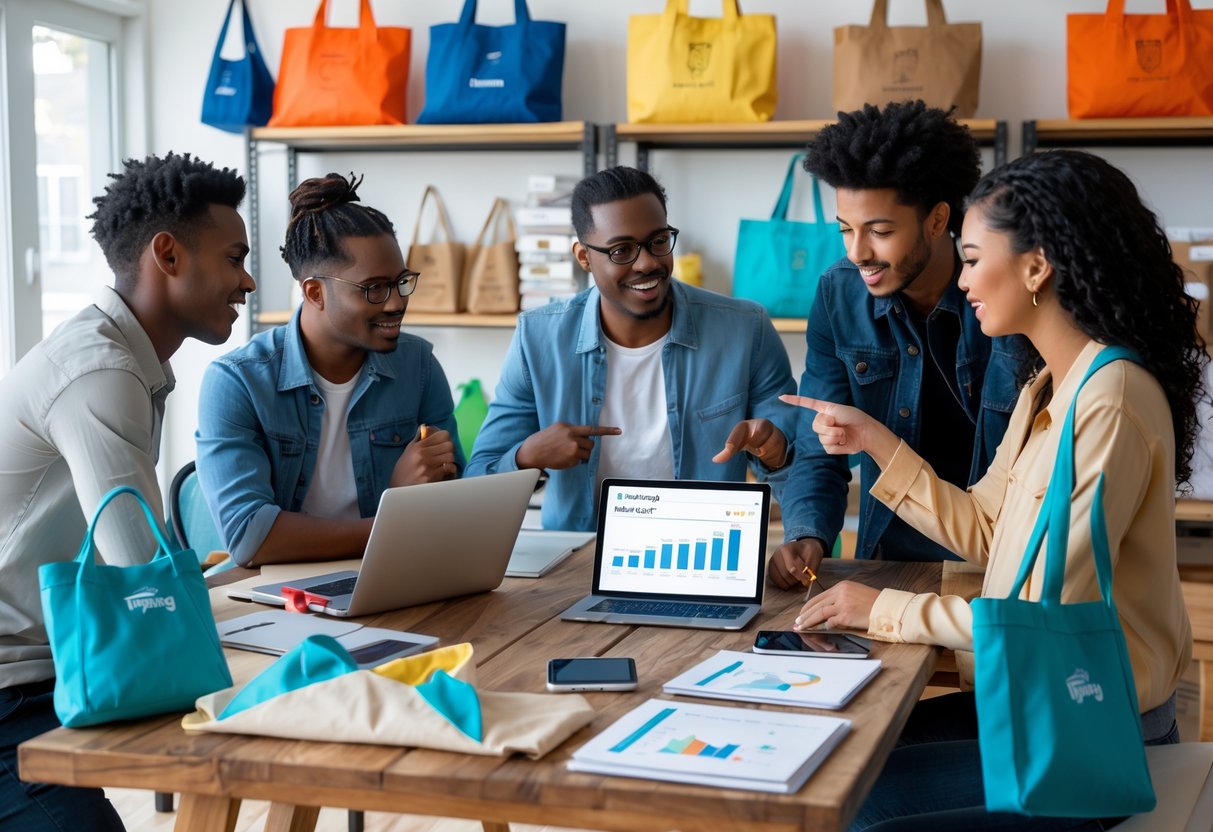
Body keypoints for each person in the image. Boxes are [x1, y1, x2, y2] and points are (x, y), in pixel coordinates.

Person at [787, 149, 1204, 831]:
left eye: (975, 259)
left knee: (856, 807)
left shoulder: (1109, 399)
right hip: (1034, 699)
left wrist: (883, 608)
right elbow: (987, 526)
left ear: (1036, 266)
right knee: (839, 760)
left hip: (1090, 724)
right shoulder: (1053, 384)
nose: (967, 281)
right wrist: (873, 440)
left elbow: (1041, 614)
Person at [0, 153, 253, 831]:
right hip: (12, 690)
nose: (247, 280)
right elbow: (141, 574)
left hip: (52, 665)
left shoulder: (123, 358)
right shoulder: (100, 371)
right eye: (234, 258)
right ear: (166, 254)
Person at [770, 101, 1026, 589]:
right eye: (846, 229)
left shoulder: (1003, 302)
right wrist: (808, 534)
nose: (857, 252)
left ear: (936, 220)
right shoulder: (838, 293)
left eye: (880, 231)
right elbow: (818, 444)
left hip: (998, 566)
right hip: (887, 565)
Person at [466, 166, 797, 531]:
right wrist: (527, 456)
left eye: (657, 241)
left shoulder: (745, 329)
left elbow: (801, 464)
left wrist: (775, 450)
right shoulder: (537, 339)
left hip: (703, 555)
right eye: (622, 250)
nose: (648, 263)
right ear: (584, 257)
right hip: (580, 562)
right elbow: (478, 480)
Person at [196, 173, 461, 567]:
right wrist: (394, 514)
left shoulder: (418, 366)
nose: (395, 304)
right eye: (373, 289)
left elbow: (454, 512)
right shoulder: (238, 382)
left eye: (401, 283)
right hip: (282, 590)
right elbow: (250, 537)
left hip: (394, 573)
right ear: (314, 292)